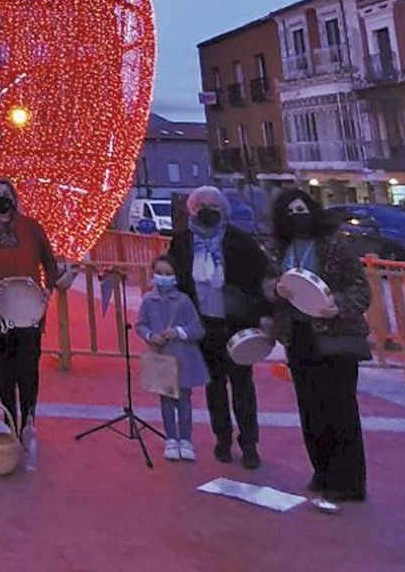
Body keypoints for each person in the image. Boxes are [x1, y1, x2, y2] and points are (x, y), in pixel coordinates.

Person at [266, 189, 372, 509]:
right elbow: (267, 283)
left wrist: (337, 305)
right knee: (310, 407)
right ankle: (323, 471)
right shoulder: (278, 249)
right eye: (291, 211)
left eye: (302, 209)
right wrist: (275, 289)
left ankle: (350, 480)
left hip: (334, 337)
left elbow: (360, 288)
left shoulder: (334, 245)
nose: (297, 216)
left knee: (339, 409)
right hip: (299, 336)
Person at [168, 184, 270, 468]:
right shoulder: (183, 242)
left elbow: (259, 280)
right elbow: (175, 278)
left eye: (213, 206)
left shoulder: (241, 242)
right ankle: (222, 439)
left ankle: (249, 443)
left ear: (223, 210)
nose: (207, 211)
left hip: (236, 326)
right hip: (204, 326)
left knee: (243, 386)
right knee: (214, 387)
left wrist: (262, 313)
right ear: (192, 210)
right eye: (201, 207)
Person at [0, 178, 63, 430]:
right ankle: (9, 417)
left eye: (6, 193)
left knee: (29, 364)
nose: (1, 197)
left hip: (29, 309)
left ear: (14, 197)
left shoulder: (31, 228)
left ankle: (29, 416)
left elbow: (49, 263)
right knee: (4, 364)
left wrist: (48, 289)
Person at [135, 254, 211, 462]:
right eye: (159, 273)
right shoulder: (148, 301)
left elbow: (197, 329)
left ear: (176, 277)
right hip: (161, 358)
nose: (163, 277)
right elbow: (140, 324)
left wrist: (178, 331)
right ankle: (171, 438)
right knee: (166, 400)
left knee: (184, 400)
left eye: (168, 274)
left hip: (183, 358)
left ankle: (186, 439)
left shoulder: (184, 301)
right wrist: (151, 335)